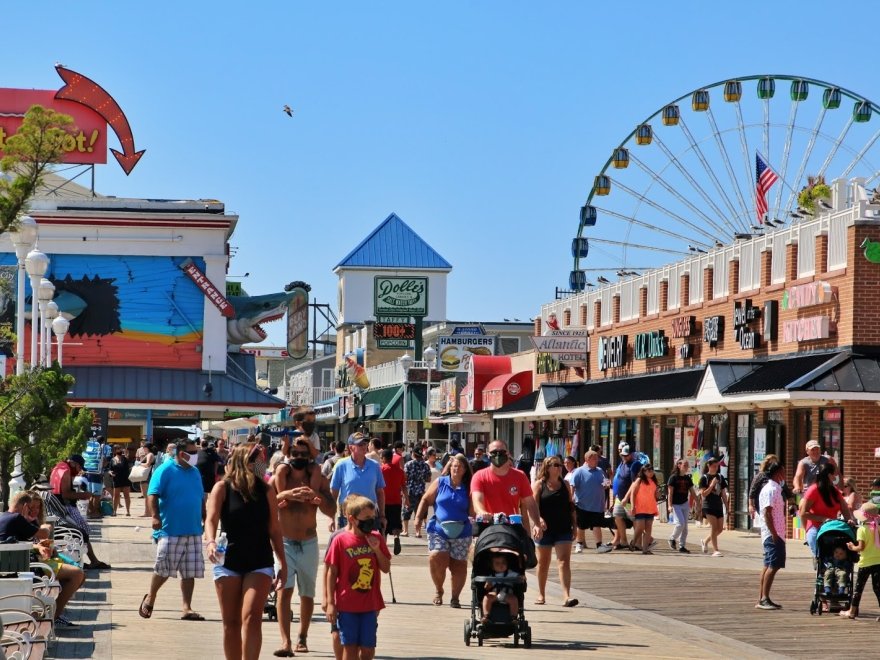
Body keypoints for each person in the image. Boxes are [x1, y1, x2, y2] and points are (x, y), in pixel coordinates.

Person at [205, 443, 287, 660]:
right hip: (228, 559)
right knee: (230, 622)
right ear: (244, 461)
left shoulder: (266, 490)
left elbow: (275, 529)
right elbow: (211, 519)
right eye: (256, 460)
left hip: (259, 560)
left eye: (261, 459)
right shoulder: (222, 488)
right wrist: (210, 541)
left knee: (251, 617)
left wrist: (283, 564)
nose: (260, 464)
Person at [272, 437, 336, 656]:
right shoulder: (281, 475)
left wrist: (316, 497)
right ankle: (285, 641)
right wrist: (286, 494)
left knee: (307, 593)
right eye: (294, 454)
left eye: (303, 454)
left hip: (308, 542)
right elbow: (266, 502)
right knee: (283, 591)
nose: (298, 458)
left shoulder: (317, 476)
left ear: (309, 456)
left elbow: (331, 509)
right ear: (288, 456)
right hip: (285, 542)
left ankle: (303, 636)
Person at [139, 438, 206, 621]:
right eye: (191, 453)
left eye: (196, 452)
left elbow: (200, 496)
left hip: (193, 529)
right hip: (170, 528)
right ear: (181, 453)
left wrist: (204, 517)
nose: (195, 456)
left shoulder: (195, 472)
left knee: (189, 571)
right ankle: (151, 596)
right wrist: (154, 516)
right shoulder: (165, 470)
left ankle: (187, 607)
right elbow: (152, 494)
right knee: (163, 568)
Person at [0, 492, 86, 627]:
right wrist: (44, 527)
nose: (32, 511)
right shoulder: (17, 518)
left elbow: (15, 541)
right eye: (30, 508)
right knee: (77, 574)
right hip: (27, 567)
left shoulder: (4, 516)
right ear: (25, 506)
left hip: (20, 565)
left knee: (77, 575)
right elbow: (44, 533)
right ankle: (53, 616)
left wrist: (38, 545)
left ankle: (55, 611)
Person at [324, 494, 391, 660]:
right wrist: (330, 602)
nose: (371, 521)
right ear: (352, 519)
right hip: (346, 605)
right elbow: (331, 572)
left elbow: (385, 568)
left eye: (373, 517)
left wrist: (376, 549)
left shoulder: (376, 537)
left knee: (368, 649)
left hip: (370, 603)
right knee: (350, 648)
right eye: (366, 517)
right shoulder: (340, 540)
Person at [415, 453, 473, 608]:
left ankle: (455, 598)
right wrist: (418, 518)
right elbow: (426, 499)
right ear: (450, 467)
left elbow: (473, 511)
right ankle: (439, 590)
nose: (456, 468)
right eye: (454, 466)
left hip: (462, 530)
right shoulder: (441, 482)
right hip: (438, 528)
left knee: (458, 565)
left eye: (460, 467)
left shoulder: (468, 487)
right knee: (436, 556)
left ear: (465, 470)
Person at [471, 440, 544, 541]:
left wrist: (537, 524)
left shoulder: (520, 476)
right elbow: (477, 501)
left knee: (525, 552)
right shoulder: (479, 476)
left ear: (508, 453)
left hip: (511, 527)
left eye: (501, 452)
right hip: (488, 527)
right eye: (494, 452)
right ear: (488, 454)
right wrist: (482, 512)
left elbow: (530, 503)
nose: (497, 455)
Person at [49, 454, 110, 570]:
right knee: (83, 531)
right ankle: (94, 561)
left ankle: (93, 560)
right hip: (64, 508)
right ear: (73, 463)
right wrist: (83, 495)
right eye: (79, 468)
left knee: (83, 531)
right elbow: (66, 494)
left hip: (58, 507)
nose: (79, 471)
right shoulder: (66, 471)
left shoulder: (59, 467)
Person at [532, 456, 578, 607]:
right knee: (543, 562)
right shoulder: (539, 485)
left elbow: (571, 506)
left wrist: (575, 525)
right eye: (556, 465)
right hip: (545, 529)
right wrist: (538, 521)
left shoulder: (565, 484)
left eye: (560, 465)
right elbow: (533, 507)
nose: (559, 468)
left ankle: (566, 596)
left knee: (564, 561)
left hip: (563, 527)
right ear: (547, 467)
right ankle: (541, 594)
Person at [330, 433, 386, 532]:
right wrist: (331, 517)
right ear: (351, 448)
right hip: (348, 517)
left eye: (365, 443)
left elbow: (380, 492)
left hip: (370, 517)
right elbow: (333, 493)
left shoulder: (375, 466)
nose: (364, 446)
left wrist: (382, 515)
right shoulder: (341, 465)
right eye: (360, 445)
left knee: (372, 546)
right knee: (348, 546)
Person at [798, 462, 852, 558]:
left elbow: (844, 509)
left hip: (832, 528)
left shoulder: (835, 491)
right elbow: (803, 513)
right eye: (834, 474)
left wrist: (849, 519)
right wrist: (824, 519)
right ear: (829, 475)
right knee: (822, 554)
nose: (836, 476)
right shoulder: (813, 490)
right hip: (816, 528)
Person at [841, 502, 880, 619]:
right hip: (878, 562)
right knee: (877, 588)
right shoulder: (878, 528)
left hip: (865, 563)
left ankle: (852, 611)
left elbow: (861, 547)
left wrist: (852, 547)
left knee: (858, 588)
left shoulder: (862, 529)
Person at [757, 461, 786, 610]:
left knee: (768, 564)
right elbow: (767, 512)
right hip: (774, 533)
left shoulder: (775, 488)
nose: (785, 474)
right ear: (777, 473)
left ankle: (763, 597)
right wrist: (774, 533)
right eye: (783, 471)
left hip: (776, 532)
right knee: (773, 565)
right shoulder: (771, 489)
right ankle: (764, 598)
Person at [570, 450, 612, 554]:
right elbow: (572, 485)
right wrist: (571, 498)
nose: (597, 460)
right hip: (582, 505)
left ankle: (599, 545)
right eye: (594, 459)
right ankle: (579, 544)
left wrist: (607, 484)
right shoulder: (579, 471)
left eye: (597, 458)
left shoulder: (600, 471)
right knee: (581, 526)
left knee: (597, 525)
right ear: (587, 460)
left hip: (597, 505)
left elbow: (605, 482)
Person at [611, 444, 643, 550]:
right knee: (617, 517)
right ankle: (623, 541)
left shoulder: (635, 465)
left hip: (629, 499)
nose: (624, 457)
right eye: (622, 455)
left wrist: (627, 497)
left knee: (634, 519)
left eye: (626, 455)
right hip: (619, 498)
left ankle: (638, 543)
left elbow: (635, 484)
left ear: (632, 454)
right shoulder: (623, 463)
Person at [621, 464, 659, 554]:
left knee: (649, 528)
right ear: (644, 472)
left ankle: (645, 549)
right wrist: (633, 506)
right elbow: (633, 494)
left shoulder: (654, 481)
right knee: (640, 527)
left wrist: (657, 494)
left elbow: (655, 494)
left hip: (650, 507)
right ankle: (634, 542)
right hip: (640, 507)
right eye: (649, 471)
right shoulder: (639, 480)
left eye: (652, 470)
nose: (651, 472)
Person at [698, 457, 729, 556]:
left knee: (720, 529)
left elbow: (723, 493)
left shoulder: (720, 477)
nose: (716, 468)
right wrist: (711, 485)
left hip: (718, 505)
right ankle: (716, 550)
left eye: (717, 466)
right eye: (714, 466)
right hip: (708, 505)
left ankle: (705, 541)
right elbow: (703, 494)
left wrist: (727, 506)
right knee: (714, 527)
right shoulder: (704, 478)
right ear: (709, 466)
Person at [380, 448, 406, 555]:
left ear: (384, 459)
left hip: (383, 502)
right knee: (395, 524)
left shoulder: (381, 470)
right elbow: (404, 486)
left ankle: (384, 546)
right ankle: (396, 538)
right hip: (396, 501)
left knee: (383, 527)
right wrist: (407, 499)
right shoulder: (400, 471)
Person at [666, 459, 696, 553]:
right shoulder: (673, 478)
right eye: (685, 465)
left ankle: (682, 546)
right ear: (679, 465)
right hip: (676, 504)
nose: (686, 467)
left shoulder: (687, 478)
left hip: (684, 503)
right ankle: (672, 538)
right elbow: (670, 493)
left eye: (687, 465)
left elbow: (692, 492)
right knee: (680, 523)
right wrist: (669, 506)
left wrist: (698, 503)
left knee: (685, 527)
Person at [482, 552, 520, 624]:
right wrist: (487, 585)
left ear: (507, 564)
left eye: (503, 563)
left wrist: (521, 577)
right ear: (492, 566)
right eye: (497, 563)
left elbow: (519, 577)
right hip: (495, 594)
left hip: (507, 594)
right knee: (487, 597)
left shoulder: (511, 573)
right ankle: (486, 615)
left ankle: (513, 617)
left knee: (514, 599)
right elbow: (486, 587)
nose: (501, 565)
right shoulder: (491, 575)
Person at [401, 448, 430, 537]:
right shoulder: (425, 465)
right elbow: (428, 479)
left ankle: (405, 531)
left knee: (406, 511)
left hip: (410, 491)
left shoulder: (408, 464)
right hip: (421, 491)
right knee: (419, 512)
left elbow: (404, 478)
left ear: (413, 454)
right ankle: (418, 532)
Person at [82, 434, 108, 517]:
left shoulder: (90, 449)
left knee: (91, 494)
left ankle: (90, 511)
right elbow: (103, 462)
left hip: (89, 473)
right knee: (97, 495)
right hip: (97, 474)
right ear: (103, 441)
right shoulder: (101, 449)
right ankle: (95, 512)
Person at [109, 447, 133, 516]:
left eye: (120, 449)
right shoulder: (112, 460)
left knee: (126, 495)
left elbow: (128, 458)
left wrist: (126, 452)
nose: (119, 450)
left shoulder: (124, 459)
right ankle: (114, 511)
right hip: (116, 479)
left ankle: (128, 511)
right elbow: (110, 469)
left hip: (125, 478)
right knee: (116, 496)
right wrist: (110, 473)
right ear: (115, 450)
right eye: (118, 449)